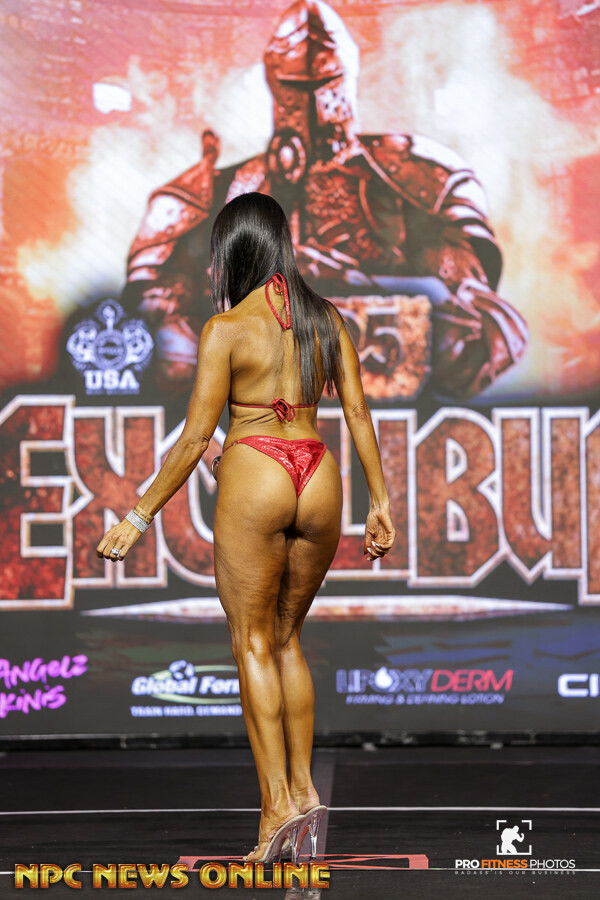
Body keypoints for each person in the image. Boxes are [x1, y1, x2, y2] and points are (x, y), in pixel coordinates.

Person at [97, 192, 395, 862]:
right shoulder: (327, 318)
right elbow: (358, 414)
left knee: (252, 644)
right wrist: (380, 501)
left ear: (234, 253)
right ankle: (305, 792)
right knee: (288, 640)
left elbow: (193, 439)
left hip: (257, 472)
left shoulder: (226, 328)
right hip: (317, 475)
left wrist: (139, 515)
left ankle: (275, 812)